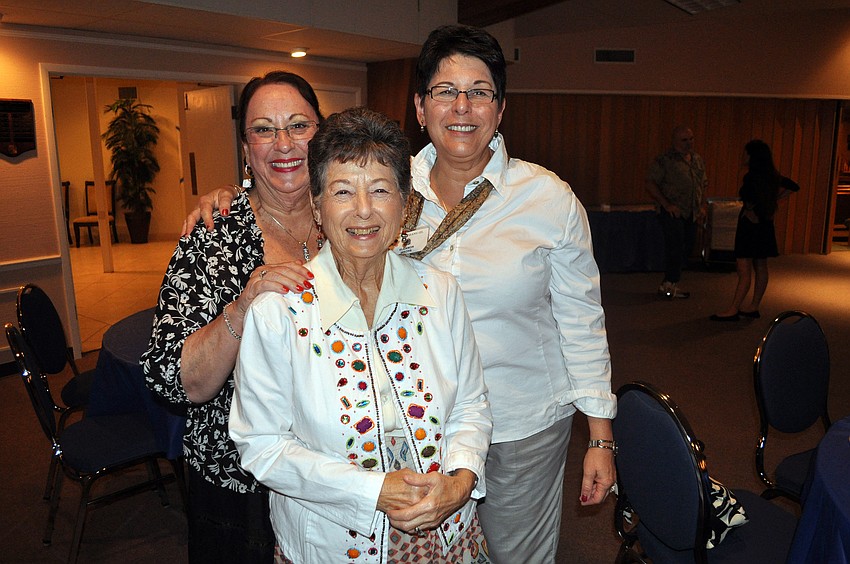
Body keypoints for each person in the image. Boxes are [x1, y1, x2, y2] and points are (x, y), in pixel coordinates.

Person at [190, 24, 617, 564]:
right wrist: (236, 190)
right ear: (421, 106)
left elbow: (580, 321)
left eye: (480, 92)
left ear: (501, 108)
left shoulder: (544, 201)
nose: (365, 208)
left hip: (520, 420)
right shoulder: (386, 180)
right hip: (384, 474)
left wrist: (596, 437)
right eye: (445, 91)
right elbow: (310, 180)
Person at [229, 106, 492, 563]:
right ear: (316, 205)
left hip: (446, 532)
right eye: (343, 191)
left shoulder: (441, 292)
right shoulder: (280, 312)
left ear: (405, 201)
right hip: (333, 541)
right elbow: (261, 446)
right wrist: (372, 490)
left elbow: (471, 404)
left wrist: (462, 479)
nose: (364, 211)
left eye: (380, 190)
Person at [142, 70, 326, 563]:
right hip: (240, 485)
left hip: (333, 475)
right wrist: (242, 309)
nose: (282, 143)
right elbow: (175, 382)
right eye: (263, 129)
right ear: (246, 149)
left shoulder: (352, 221)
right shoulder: (210, 237)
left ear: (321, 135)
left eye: (299, 125)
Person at [710, 139, 800, 321]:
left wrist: (753, 209)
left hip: (750, 226)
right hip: (765, 224)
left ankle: (734, 308)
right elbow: (793, 186)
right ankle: (753, 305)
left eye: (746, 153)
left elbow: (750, 199)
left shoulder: (751, 177)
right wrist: (771, 202)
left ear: (752, 156)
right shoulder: (771, 175)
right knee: (760, 265)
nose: (743, 156)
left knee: (743, 268)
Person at [646, 125, 709, 299]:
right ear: (675, 141)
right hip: (673, 212)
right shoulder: (665, 160)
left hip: (692, 212)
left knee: (687, 246)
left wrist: (701, 205)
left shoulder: (697, 160)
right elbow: (651, 183)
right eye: (684, 140)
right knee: (675, 246)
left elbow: (702, 184)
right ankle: (669, 283)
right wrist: (666, 204)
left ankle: (672, 282)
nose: (689, 143)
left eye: (691, 139)